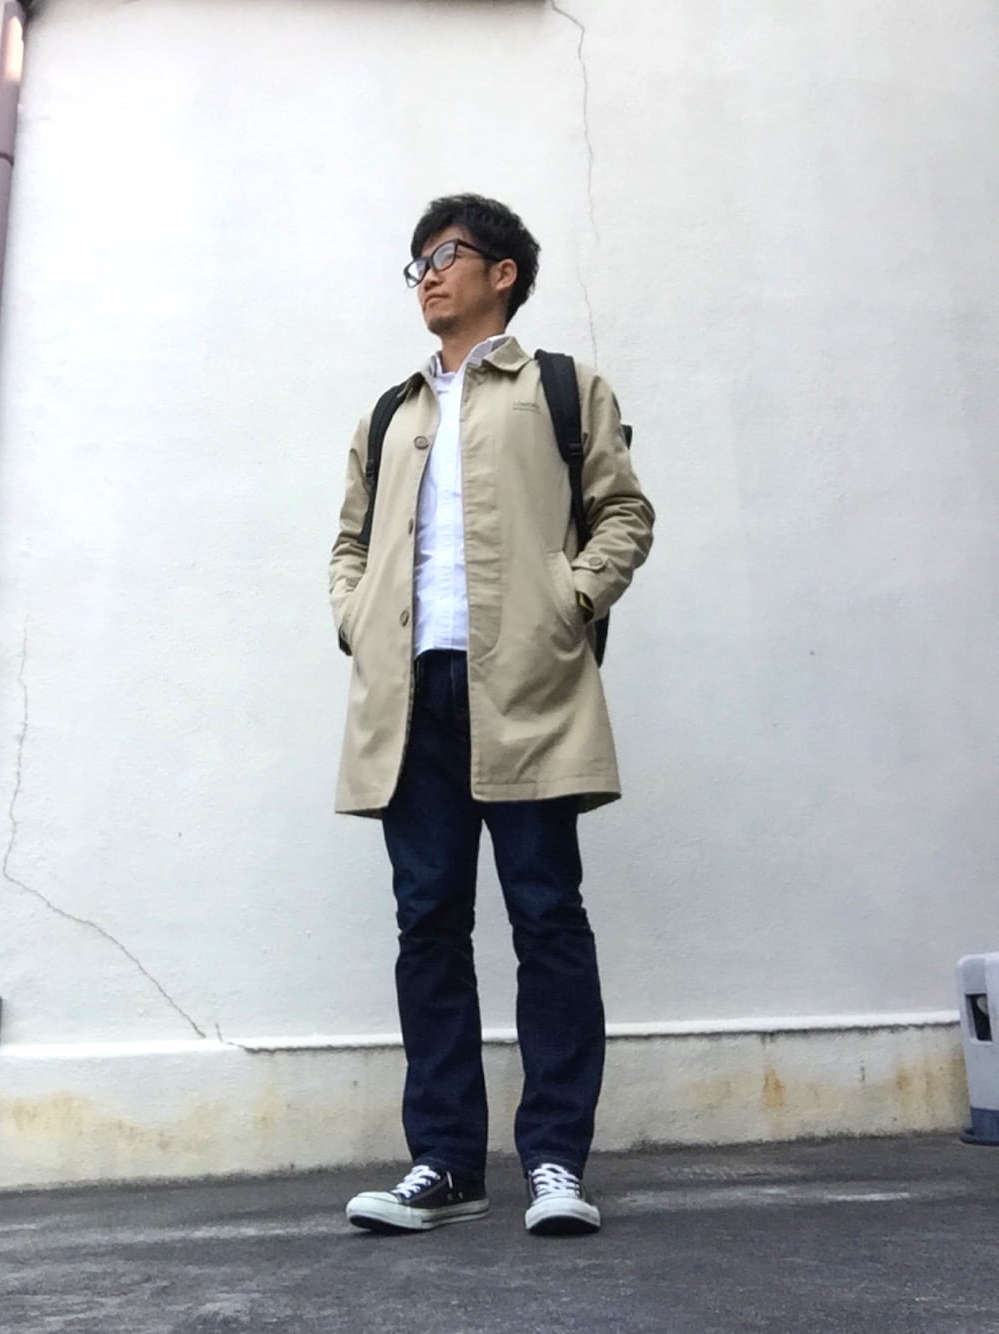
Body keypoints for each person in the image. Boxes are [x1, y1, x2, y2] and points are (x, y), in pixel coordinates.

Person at [329, 194, 654, 1236]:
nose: (426, 274)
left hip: (527, 689)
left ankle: (555, 1159)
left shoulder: (561, 387)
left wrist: (571, 602)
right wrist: (355, 616)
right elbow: (348, 542)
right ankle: (446, 1163)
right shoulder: (391, 412)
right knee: (427, 923)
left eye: (446, 254)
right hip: (410, 697)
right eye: (417, 261)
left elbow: (623, 512)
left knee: (547, 916)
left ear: (502, 272)